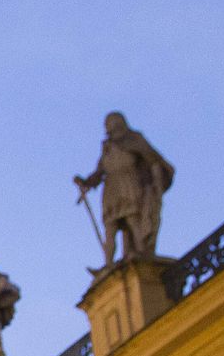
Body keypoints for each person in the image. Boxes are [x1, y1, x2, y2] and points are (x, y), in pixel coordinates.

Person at [73, 113, 174, 267]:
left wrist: (156, 181)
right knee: (110, 227)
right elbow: (100, 171)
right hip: (112, 188)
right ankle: (108, 264)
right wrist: (86, 182)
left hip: (129, 184)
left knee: (132, 220)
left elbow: (152, 159)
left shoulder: (134, 139)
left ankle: (141, 252)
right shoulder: (107, 147)